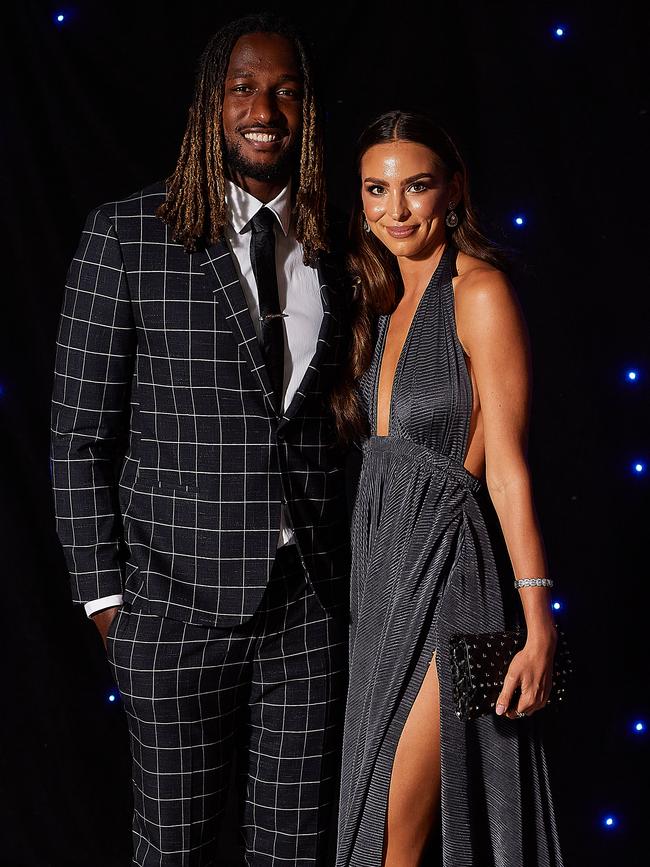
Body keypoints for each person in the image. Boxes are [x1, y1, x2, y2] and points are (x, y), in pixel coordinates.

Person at [51, 14, 350, 866]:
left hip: (310, 610)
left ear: (308, 108)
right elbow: (77, 433)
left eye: (286, 90)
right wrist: (107, 601)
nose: (266, 108)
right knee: (172, 849)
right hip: (171, 608)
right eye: (244, 88)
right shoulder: (128, 236)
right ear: (211, 105)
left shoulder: (342, 244)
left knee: (295, 852)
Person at [331, 111, 564, 866]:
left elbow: (507, 469)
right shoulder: (380, 301)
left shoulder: (480, 290)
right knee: (370, 818)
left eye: (416, 187)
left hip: (450, 581)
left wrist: (538, 621)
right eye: (376, 189)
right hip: (379, 581)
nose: (395, 210)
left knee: (394, 837)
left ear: (453, 190)